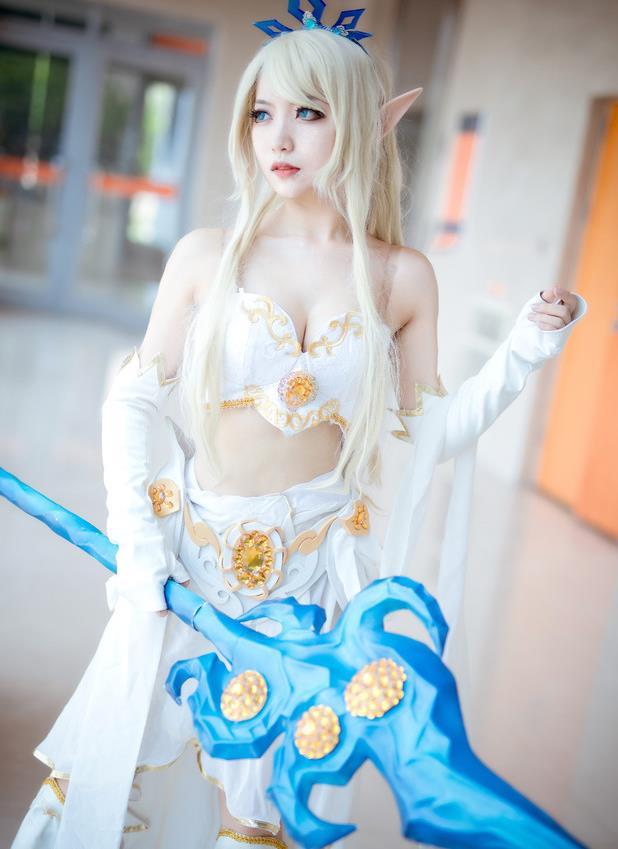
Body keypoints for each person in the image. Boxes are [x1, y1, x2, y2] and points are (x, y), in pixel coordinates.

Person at [10, 7, 587, 849]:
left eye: (309, 113)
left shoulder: (400, 277)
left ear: (358, 126)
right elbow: (131, 402)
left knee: (258, 818)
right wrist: (137, 549)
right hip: (182, 566)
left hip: (311, 587)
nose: (278, 137)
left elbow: (434, 432)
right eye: (262, 112)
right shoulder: (207, 255)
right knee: (111, 776)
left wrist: (527, 348)